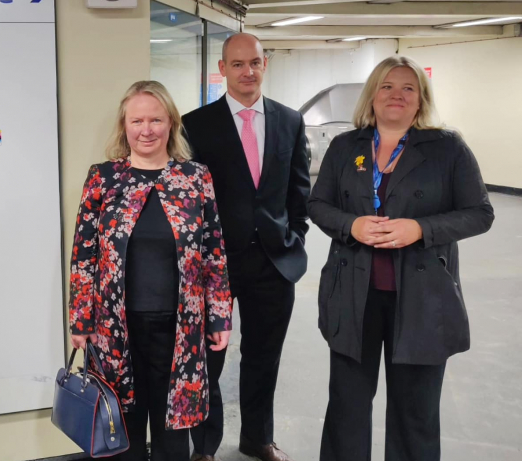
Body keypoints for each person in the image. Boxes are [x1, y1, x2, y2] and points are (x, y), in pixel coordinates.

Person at [308, 56, 494, 461]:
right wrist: (350, 225)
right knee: (346, 407)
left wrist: (420, 230)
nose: (397, 95)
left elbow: (481, 213)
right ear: (372, 96)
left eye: (408, 88)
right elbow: (318, 205)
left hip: (423, 299)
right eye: (387, 86)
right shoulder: (346, 147)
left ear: (421, 99)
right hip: (353, 295)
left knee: (416, 412)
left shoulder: (448, 148)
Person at [69, 80, 233, 461]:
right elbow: (84, 255)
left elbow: (214, 251)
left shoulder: (195, 177)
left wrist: (221, 317)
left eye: (156, 120)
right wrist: (81, 319)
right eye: (137, 120)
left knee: (173, 430)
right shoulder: (103, 178)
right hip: (114, 328)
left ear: (171, 123)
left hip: (181, 328)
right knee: (119, 428)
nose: (146, 129)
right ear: (124, 126)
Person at [182, 33, 310, 461]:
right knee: (207, 360)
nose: (247, 72)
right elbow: (186, 201)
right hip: (215, 265)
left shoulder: (289, 120)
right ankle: (204, 447)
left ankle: (257, 438)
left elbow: (298, 190)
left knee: (263, 357)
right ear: (223, 69)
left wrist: (295, 235)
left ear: (265, 63)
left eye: (254, 62)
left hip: (274, 261)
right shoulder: (195, 124)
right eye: (237, 64)